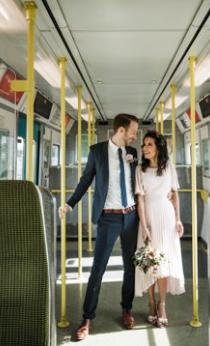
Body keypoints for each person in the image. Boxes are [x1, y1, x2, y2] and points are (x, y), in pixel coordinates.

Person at [59, 113, 140, 341]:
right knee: (98, 268)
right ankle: (87, 317)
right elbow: (85, 181)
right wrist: (69, 203)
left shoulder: (132, 153)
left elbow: (137, 182)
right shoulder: (97, 152)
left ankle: (126, 308)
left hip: (131, 217)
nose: (135, 136)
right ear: (121, 130)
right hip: (108, 218)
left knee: (129, 267)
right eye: (133, 131)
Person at [135, 130, 185, 328]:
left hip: (166, 217)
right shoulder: (140, 170)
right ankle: (151, 302)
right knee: (149, 263)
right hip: (148, 218)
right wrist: (144, 225)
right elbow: (140, 198)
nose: (145, 148)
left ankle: (162, 304)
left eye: (149, 145)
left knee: (163, 264)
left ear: (158, 149)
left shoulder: (168, 167)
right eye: (144, 145)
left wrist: (178, 219)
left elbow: (174, 194)